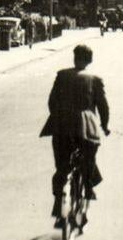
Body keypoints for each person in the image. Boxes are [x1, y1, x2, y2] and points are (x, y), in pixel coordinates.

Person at [40, 45, 110, 226]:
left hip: (61, 127)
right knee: (88, 161)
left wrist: (58, 116)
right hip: (86, 128)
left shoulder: (62, 75)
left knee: (62, 168)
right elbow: (103, 107)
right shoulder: (95, 79)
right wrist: (105, 126)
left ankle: (58, 207)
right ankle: (87, 191)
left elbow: (52, 101)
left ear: (74, 58)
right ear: (89, 60)